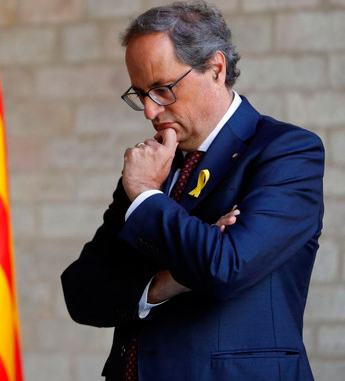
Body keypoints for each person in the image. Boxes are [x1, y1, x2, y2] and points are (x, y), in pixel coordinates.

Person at [61, 2, 324, 380]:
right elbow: (80, 289)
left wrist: (148, 197)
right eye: (139, 94)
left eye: (162, 89)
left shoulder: (288, 151)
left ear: (215, 69)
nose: (150, 112)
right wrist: (165, 282)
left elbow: (225, 267)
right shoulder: (153, 166)